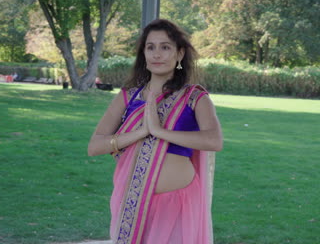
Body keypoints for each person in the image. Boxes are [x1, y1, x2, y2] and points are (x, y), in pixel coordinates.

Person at [88, 19, 223, 244]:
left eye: (165, 47)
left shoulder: (194, 97)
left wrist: (160, 132)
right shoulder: (128, 96)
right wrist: (140, 132)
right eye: (150, 47)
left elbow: (214, 140)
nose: (156, 54)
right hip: (132, 199)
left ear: (179, 54)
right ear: (143, 54)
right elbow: (94, 147)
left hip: (178, 204)